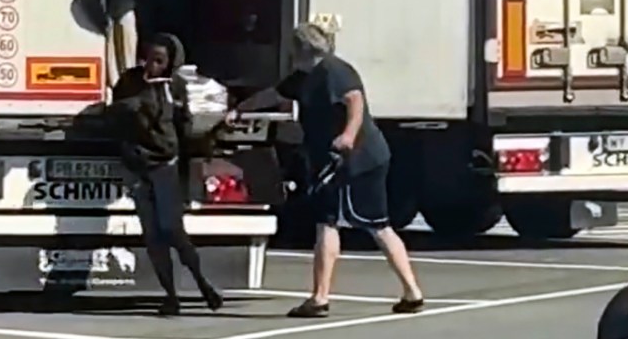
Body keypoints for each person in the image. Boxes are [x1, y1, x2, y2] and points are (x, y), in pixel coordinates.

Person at [226, 23, 425, 317]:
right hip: (341, 159)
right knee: (348, 222)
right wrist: (240, 110)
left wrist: (348, 135)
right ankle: (410, 292)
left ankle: (322, 298)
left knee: (359, 224)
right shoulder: (304, 77)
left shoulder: (334, 70)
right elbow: (274, 94)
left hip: (355, 159)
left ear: (302, 50)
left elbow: (354, 101)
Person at [109, 33, 223, 316]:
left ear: (170, 63)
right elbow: (115, 111)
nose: (152, 66)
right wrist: (133, 105)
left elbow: (186, 125)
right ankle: (170, 294)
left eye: (159, 61)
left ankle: (200, 280)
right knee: (152, 235)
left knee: (172, 228)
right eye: (149, 58)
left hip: (165, 164)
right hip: (137, 165)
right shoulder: (131, 82)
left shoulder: (175, 87)